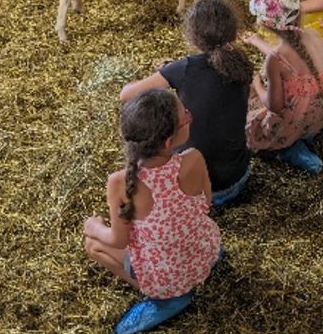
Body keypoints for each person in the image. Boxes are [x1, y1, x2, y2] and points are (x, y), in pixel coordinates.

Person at [84, 89, 221, 333]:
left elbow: (118, 239)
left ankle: (163, 298)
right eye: (186, 117)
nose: (189, 116)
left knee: (91, 244)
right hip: (205, 253)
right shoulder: (194, 158)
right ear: (169, 141)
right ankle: (176, 284)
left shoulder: (120, 182)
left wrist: (94, 226)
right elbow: (206, 204)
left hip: (168, 279)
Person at [119, 0, 253, 205]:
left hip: (194, 192)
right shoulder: (242, 64)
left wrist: (162, 73)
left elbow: (126, 95)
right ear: (234, 32)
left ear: (191, 36)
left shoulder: (184, 68)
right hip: (238, 178)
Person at [245, 0, 323, 173]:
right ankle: (303, 140)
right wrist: (257, 42)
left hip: (289, 125)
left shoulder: (275, 60)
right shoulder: (314, 35)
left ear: (265, 24)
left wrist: (257, 83)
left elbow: (274, 106)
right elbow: (292, 58)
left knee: (245, 118)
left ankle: (286, 148)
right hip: (318, 117)